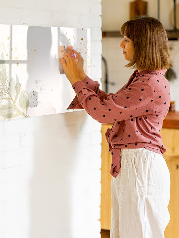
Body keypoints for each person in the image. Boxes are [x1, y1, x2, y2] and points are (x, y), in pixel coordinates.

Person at [60, 16, 172, 238]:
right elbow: (111, 105)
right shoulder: (145, 78)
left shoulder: (149, 83)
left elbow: (103, 113)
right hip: (135, 165)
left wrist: (75, 80)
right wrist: (81, 75)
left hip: (140, 167)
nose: (121, 44)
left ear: (143, 44)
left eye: (127, 39)